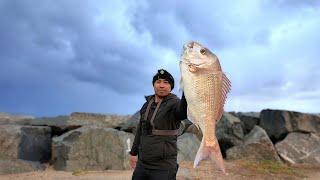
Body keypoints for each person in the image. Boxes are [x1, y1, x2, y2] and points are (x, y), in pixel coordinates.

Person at [129, 69, 188, 180]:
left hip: (164, 167)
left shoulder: (175, 103)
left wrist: (186, 90)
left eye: (166, 82)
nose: (161, 85)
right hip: (143, 165)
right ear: (153, 85)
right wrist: (133, 153)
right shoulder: (146, 105)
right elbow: (140, 130)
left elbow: (183, 113)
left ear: (171, 86)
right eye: (158, 82)